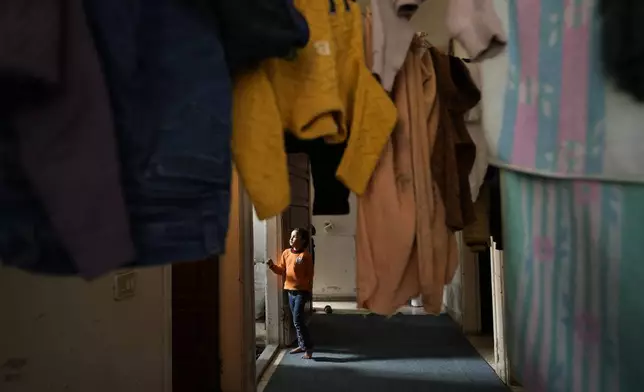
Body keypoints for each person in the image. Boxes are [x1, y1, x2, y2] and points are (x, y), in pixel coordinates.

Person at [266, 228, 315, 359]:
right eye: (291, 236)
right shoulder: (286, 253)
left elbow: (310, 276)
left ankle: (308, 348)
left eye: (295, 237)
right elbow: (282, 270)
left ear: (303, 240)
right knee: (296, 321)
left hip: (301, 292)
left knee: (298, 320)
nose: (291, 239)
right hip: (290, 291)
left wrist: (309, 291)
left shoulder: (306, 256)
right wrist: (271, 266)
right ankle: (302, 345)